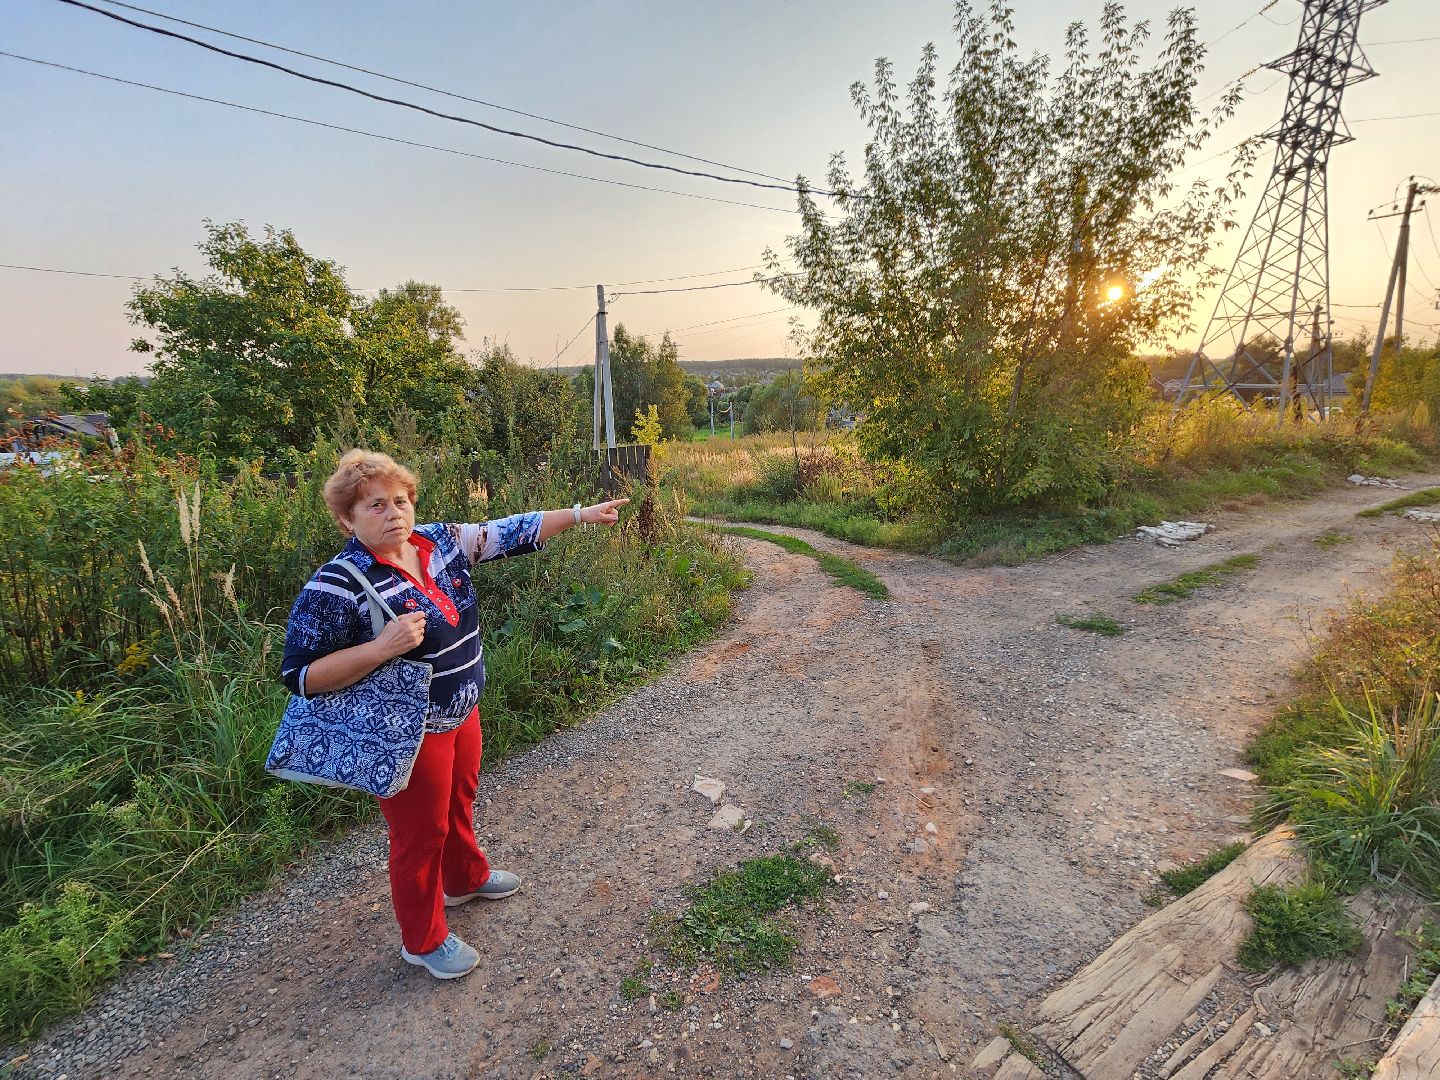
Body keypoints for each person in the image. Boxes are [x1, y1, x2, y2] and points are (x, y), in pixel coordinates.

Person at [280, 449, 627, 979]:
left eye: (400, 500)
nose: (393, 512)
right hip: (407, 731)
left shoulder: (438, 543)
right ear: (347, 519)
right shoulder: (336, 585)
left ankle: (463, 880)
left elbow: (510, 530)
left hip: (463, 711)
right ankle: (422, 940)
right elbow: (300, 676)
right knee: (419, 837)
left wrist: (580, 515)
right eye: (375, 505)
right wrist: (380, 648)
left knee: (460, 801)